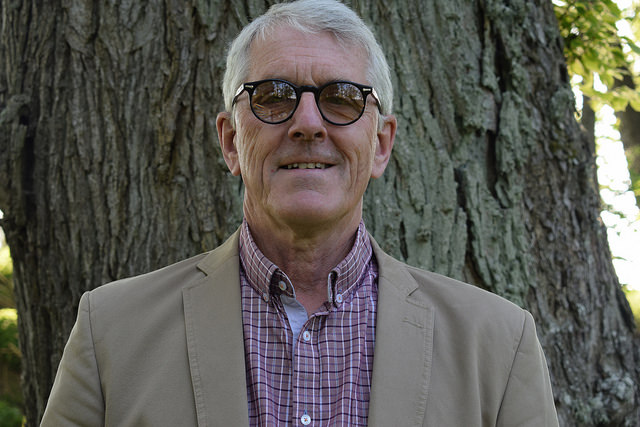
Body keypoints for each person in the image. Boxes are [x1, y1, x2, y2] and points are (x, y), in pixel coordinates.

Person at [41, 0, 559, 425]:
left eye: (342, 98)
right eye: (273, 96)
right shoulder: (111, 333)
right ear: (231, 142)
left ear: (381, 144)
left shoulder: (498, 345)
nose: (308, 123)